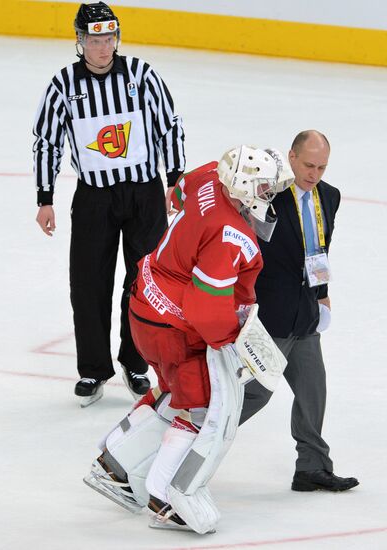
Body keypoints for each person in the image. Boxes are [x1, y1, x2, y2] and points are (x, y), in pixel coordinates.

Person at [82, 145, 294, 533]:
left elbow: (177, 192)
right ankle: (166, 499)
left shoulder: (214, 176)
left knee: (168, 393)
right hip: (175, 329)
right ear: (244, 184)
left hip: (145, 307)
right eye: (264, 187)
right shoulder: (231, 235)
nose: (269, 194)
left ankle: (113, 466)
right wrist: (232, 341)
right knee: (201, 409)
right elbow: (205, 307)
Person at [33, 2, 185, 406]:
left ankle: (136, 362)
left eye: (110, 38)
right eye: (95, 39)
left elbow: (169, 124)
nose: (104, 47)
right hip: (94, 198)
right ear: (80, 41)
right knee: (88, 283)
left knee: (144, 281)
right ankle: (93, 369)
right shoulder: (63, 84)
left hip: (143, 194)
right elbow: (46, 141)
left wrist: (174, 179)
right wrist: (44, 197)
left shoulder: (141, 75)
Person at [251, 130, 359, 492]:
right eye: (309, 165)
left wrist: (322, 292)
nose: (315, 173)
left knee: (313, 389)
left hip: (305, 313)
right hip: (269, 314)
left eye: (322, 167)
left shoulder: (329, 196)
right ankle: (189, 443)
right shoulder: (267, 196)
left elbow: (320, 248)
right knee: (254, 394)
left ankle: (312, 466)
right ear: (292, 157)